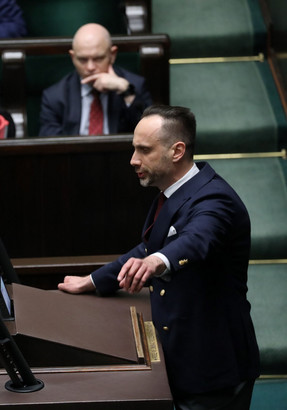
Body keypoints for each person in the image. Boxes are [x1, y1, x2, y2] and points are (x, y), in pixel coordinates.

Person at [58, 105, 260, 409]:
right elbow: (148, 248)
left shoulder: (214, 199)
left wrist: (157, 261)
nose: (133, 160)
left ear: (177, 151)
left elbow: (196, 240)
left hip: (213, 366)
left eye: (144, 150)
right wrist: (93, 280)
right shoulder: (175, 192)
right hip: (184, 357)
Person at [39, 23, 152, 137]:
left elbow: (151, 135)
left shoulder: (135, 85)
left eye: (98, 59)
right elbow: (50, 145)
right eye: (82, 60)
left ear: (112, 55)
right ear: (73, 57)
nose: (90, 67)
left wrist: (126, 90)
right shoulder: (54, 97)